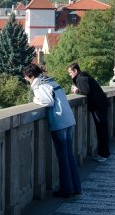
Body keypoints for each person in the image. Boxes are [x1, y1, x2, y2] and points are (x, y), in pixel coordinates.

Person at [23, 64, 82, 198]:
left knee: (63, 157)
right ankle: (76, 187)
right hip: (68, 119)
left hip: (59, 121)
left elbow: (48, 101)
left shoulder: (40, 85)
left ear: (31, 76)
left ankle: (67, 189)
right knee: (69, 155)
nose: (26, 80)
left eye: (26, 78)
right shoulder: (51, 81)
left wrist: (34, 99)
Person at [68, 62, 110, 161]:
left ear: (75, 71)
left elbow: (86, 92)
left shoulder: (81, 79)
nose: (70, 75)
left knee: (101, 130)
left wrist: (76, 91)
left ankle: (104, 154)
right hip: (100, 105)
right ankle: (104, 153)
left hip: (98, 107)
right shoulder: (83, 76)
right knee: (102, 129)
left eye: (70, 72)